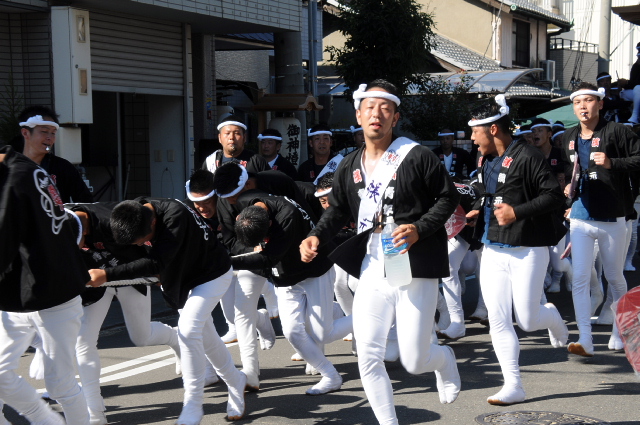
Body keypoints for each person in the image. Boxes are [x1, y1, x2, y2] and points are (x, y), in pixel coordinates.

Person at [300, 80, 462, 425]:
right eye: (370, 108)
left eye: (385, 109)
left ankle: (444, 359)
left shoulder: (417, 155)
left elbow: (448, 197)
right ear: (358, 116)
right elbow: (337, 209)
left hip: (411, 261)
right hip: (373, 261)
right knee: (368, 356)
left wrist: (420, 228)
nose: (377, 114)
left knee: (414, 361)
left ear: (395, 118)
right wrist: (315, 235)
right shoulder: (349, 164)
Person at [93, 198, 247, 424]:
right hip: (185, 280)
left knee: (188, 330)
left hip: (211, 274)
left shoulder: (175, 216)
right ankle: (235, 381)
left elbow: (156, 264)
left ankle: (193, 403)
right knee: (206, 338)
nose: (140, 246)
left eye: (142, 241)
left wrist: (107, 275)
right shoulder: (136, 210)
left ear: (153, 223)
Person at [466, 95, 569, 405]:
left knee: (527, 319)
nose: (472, 139)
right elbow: (488, 193)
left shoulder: (528, 156)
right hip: (492, 249)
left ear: (493, 129)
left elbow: (554, 196)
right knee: (498, 319)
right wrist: (477, 208)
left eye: (475, 131)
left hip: (528, 248)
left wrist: (517, 212)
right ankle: (513, 385)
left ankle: (551, 316)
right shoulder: (485, 160)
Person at [65, 202, 185, 425]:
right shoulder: (62, 218)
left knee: (141, 337)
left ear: (84, 231)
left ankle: (175, 339)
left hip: (130, 274)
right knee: (84, 341)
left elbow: (153, 250)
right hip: (94, 281)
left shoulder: (112, 219)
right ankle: (94, 409)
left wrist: (161, 270)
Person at [0, 144, 91, 424]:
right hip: (20, 293)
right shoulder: (26, 169)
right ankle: (43, 418)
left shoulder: (16, 177)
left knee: (60, 384)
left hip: (52, 294)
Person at [232, 196, 352, 395]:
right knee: (292, 331)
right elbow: (241, 246)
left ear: (270, 224)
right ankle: (331, 376)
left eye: (264, 239)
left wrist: (227, 263)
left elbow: (269, 258)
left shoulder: (287, 214)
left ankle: (374, 313)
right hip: (286, 278)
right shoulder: (249, 212)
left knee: (323, 334)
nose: (261, 243)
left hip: (315, 271)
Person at [562, 82, 640, 355]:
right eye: (577, 102)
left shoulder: (617, 132)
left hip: (612, 216)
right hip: (581, 217)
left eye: (588, 101)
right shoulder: (569, 136)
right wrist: (569, 185)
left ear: (601, 104)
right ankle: (585, 338)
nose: (582, 107)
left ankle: (620, 330)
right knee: (580, 278)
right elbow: (571, 169)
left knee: (614, 276)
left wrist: (612, 163)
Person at [529, 118, 572, 294]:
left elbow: (570, 179)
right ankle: (543, 285)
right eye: (534, 131)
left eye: (540, 130)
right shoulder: (530, 155)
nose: (536, 134)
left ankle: (567, 274)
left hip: (559, 209)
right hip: (538, 209)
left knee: (558, 261)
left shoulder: (561, 154)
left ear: (549, 134)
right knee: (538, 254)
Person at [18, 106, 92, 203]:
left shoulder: (63, 168)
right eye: (44, 131)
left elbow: (86, 203)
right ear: (25, 133)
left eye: (53, 133)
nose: (50, 137)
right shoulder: (10, 167)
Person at [202, 115, 270, 174]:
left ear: (244, 138)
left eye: (237, 133)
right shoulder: (211, 162)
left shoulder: (257, 161)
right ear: (219, 138)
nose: (232, 137)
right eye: (227, 133)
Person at [618, 42, 640, 124]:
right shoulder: (636, 66)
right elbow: (633, 83)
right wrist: (625, 84)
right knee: (623, 93)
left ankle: (635, 116)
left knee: (638, 88)